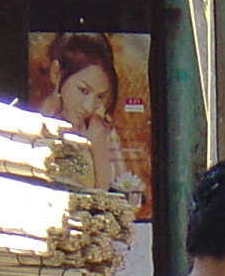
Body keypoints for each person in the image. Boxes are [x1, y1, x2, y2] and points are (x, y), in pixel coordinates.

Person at [35, 32, 145, 202]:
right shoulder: (34, 125)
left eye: (100, 96)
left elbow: (113, 198)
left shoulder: (102, 132)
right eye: (83, 90)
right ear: (56, 73)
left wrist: (98, 147)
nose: (89, 106)